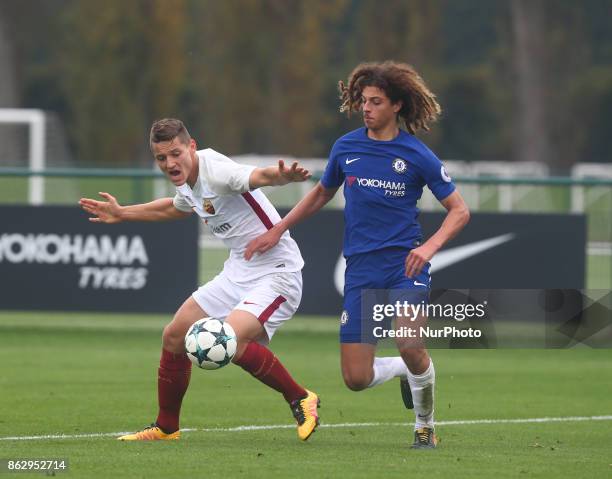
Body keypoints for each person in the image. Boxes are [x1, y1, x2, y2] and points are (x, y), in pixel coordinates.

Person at [245, 61, 470, 449]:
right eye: (363, 100)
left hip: (405, 266)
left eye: (376, 101)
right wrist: (279, 227)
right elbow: (321, 193)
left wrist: (428, 247)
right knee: (355, 379)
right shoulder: (346, 147)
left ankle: (425, 425)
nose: (366, 107)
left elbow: (460, 210)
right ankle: (405, 371)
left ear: (396, 105)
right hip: (361, 270)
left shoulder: (417, 155)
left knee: (410, 342)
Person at [79, 118, 320, 441]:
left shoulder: (216, 171)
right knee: (174, 335)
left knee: (230, 341)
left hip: (277, 273)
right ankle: (166, 427)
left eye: (176, 153)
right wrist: (123, 213)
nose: (170, 163)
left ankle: (300, 397)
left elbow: (255, 176)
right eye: (161, 158)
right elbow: (178, 207)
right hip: (238, 270)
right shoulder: (186, 179)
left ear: (191, 146)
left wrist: (281, 177)